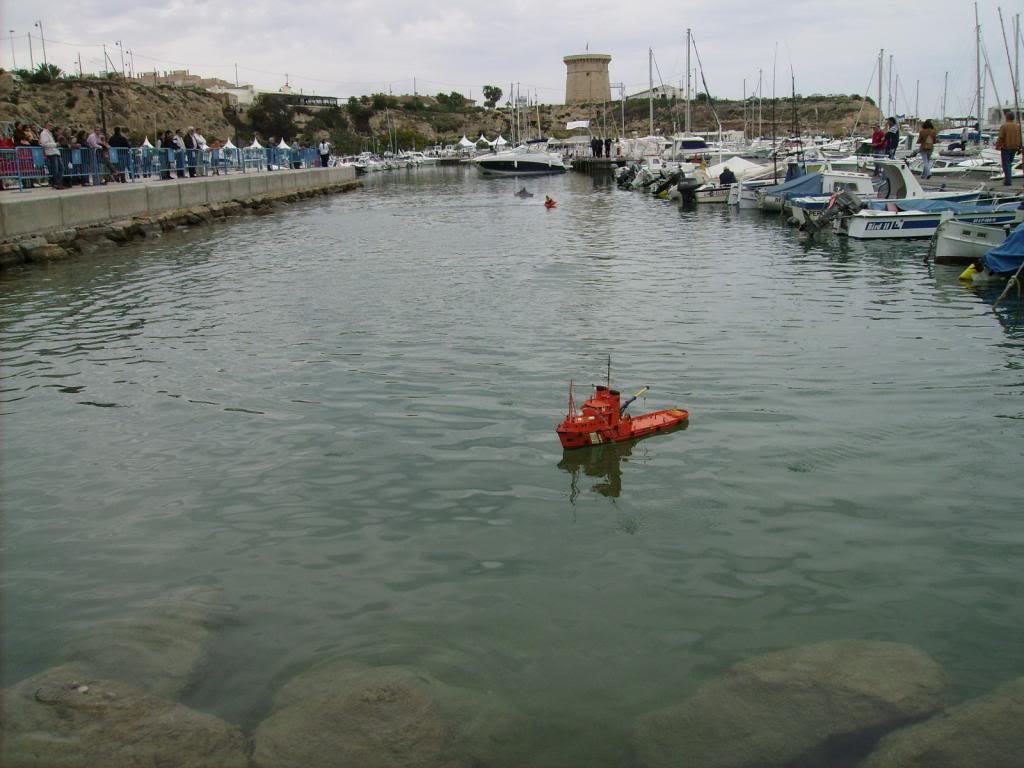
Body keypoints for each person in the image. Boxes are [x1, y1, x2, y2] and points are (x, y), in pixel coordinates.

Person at [995, 110, 1021, 187]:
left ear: (1007, 117)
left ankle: (1008, 181)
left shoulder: (1004, 126)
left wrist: (998, 145)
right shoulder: (1017, 126)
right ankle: (1007, 180)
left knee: (1006, 165)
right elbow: (1020, 138)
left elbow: (1001, 137)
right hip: (1015, 147)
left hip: (1006, 147)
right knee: (1009, 164)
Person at [39, 122, 64, 190]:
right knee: (55, 169)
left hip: (55, 152)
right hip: (51, 153)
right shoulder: (44, 133)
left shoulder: (49, 133)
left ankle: (58, 182)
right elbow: (44, 144)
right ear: (46, 125)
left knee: (60, 168)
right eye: (50, 125)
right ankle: (56, 183)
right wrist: (55, 144)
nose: (51, 127)